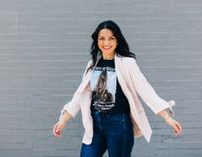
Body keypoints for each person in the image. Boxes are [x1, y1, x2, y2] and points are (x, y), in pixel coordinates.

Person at [53, 20, 182, 157]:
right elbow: (79, 96)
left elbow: (146, 90)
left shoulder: (127, 63)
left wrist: (167, 118)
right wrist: (63, 120)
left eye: (111, 38)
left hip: (119, 126)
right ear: (97, 40)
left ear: (117, 40)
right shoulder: (92, 65)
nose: (106, 43)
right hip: (95, 126)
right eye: (102, 38)